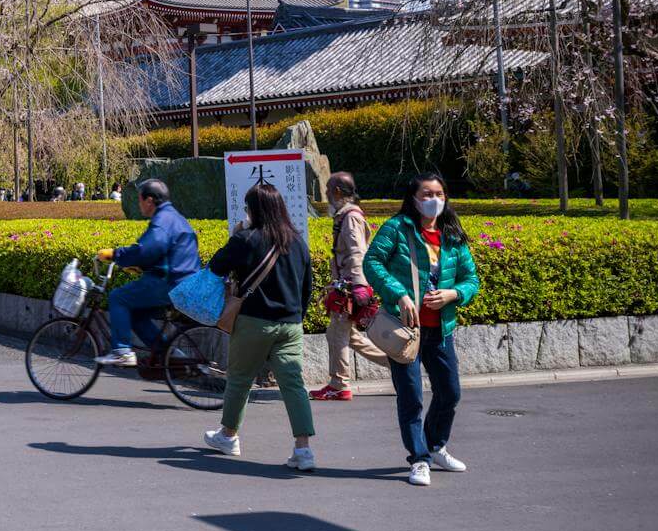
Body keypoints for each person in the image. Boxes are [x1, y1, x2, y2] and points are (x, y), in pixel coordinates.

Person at [365, 172, 481, 487]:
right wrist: (398, 294)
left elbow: (472, 279)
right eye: (427, 194)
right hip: (406, 331)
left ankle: (435, 445)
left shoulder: (452, 234)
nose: (434, 200)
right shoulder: (396, 228)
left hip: (440, 329)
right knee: (411, 395)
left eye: (439, 194)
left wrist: (453, 294)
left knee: (450, 392)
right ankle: (418, 458)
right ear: (414, 198)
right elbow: (372, 263)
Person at [200, 182, 318, 470]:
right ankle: (303, 449)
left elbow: (216, 267)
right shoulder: (298, 241)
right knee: (293, 386)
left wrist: (236, 234)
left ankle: (229, 436)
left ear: (253, 209)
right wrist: (295, 315)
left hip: (254, 321)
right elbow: (308, 287)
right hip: (290, 324)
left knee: (240, 380)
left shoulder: (247, 239)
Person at [93, 179, 198, 368]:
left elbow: (147, 249)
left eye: (139, 200)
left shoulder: (163, 220)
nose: (139, 204)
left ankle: (122, 351)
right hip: (182, 280)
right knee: (136, 313)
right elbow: (161, 252)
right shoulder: (174, 217)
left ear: (149, 200)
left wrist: (116, 254)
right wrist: (142, 267)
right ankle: (169, 353)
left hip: (169, 282)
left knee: (118, 298)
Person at [313, 172, 385, 402]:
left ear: (336, 192)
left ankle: (339, 384)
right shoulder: (345, 216)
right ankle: (400, 363)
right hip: (347, 285)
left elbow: (357, 251)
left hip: (349, 288)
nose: (325, 194)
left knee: (337, 334)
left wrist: (358, 285)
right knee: (348, 336)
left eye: (327, 189)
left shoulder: (350, 217)